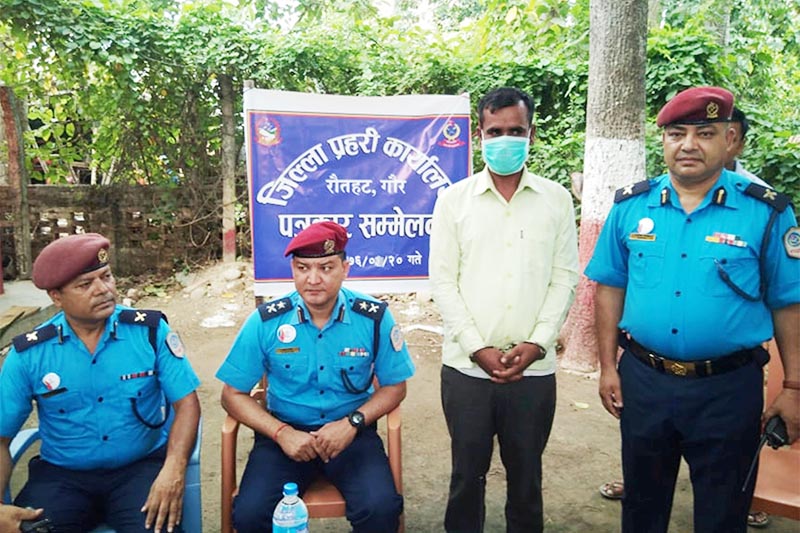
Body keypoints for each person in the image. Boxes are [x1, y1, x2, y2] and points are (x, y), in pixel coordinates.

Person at [586, 86, 800, 533]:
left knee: (723, 514)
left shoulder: (768, 212)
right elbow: (609, 287)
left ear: (731, 141)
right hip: (645, 383)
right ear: (662, 141)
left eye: (705, 133)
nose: (688, 145)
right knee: (642, 508)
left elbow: (788, 303)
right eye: (676, 133)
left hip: (728, 390)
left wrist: (794, 388)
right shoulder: (631, 206)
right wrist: (608, 367)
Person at [429, 86, 580, 533]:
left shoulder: (555, 199)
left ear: (531, 134)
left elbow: (564, 278)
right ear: (480, 135)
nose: (506, 139)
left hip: (534, 371)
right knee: (465, 480)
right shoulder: (452, 201)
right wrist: (478, 348)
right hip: (466, 370)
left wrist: (537, 343)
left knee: (527, 481)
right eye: (496, 131)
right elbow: (443, 282)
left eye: (516, 130)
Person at [217, 221, 415, 533]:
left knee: (381, 509)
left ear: (345, 269)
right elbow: (232, 394)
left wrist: (351, 424)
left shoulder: (373, 317)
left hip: (351, 434)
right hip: (283, 438)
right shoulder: (267, 321)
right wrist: (281, 433)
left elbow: (395, 387)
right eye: (302, 268)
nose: (313, 279)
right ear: (293, 271)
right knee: (249, 514)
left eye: (325, 267)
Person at [0, 233, 201, 533]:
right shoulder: (29, 354)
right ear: (56, 296)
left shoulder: (149, 332)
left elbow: (187, 405)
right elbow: (1, 438)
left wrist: (174, 466)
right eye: (86, 284)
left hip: (139, 469)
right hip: (62, 477)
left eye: (106, 277)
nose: (103, 290)